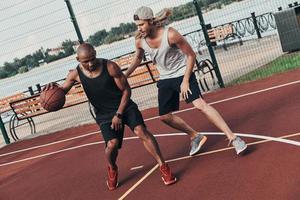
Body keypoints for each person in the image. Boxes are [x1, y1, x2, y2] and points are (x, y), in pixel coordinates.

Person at [43, 43, 176, 191]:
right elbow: (61, 92)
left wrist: (119, 114)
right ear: (78, 59)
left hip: (124, 107)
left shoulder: (110, 67)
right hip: (104, 114)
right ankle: (112, 168)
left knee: (141, 131)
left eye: (92, 58)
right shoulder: (75, 74)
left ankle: (163, 166)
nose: (90, 63)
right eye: (85, 61)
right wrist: (53, 89)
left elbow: (126, 90)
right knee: (111, 145)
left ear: (95, 53)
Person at [125, 6, 247, 156]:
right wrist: (125, 76)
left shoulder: (170, 34)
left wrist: (186, 80)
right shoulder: (139, 40)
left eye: (141, 24)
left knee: (200, 105)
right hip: (165, 78)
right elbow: (138, 58)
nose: (139, 28)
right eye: (137, 25)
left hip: (183, 73)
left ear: (150, 21)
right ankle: (195, 136)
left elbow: (191, 55)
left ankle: (234, 138)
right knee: (164, 116)